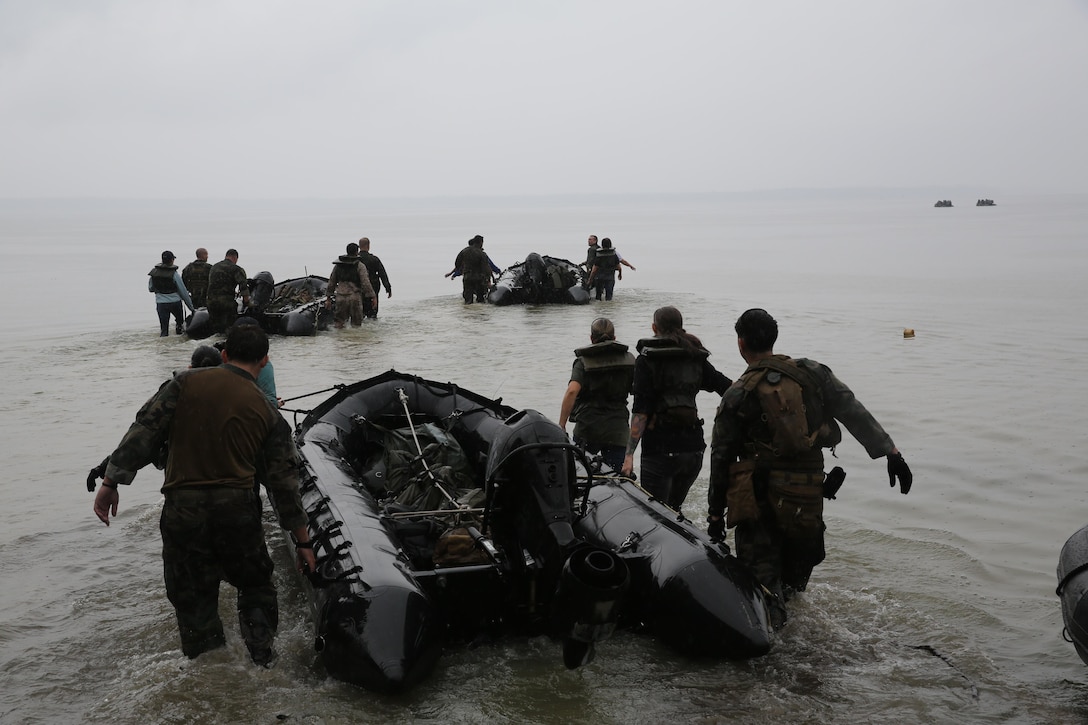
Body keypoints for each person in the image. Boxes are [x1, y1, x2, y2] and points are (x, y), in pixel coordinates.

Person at [91, 324, 316, 666]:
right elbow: (283, 484)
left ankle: (207, 664)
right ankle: (260, 658)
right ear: (265, 359)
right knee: (255, 586)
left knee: (193, 598)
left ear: (224, 355)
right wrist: (303, 543)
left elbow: (145, 431)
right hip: (238, 511)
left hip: (183, 511)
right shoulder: (268, 411)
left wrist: (111, 482)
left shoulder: (182, 383)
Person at [707, 308, 913, 627]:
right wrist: (891, 452)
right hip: (807, 499)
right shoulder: (813, 374)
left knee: (764, 592)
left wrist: (715, 515)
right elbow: (853, 410)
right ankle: (804, 650)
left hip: (759, 505)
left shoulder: (737, 394)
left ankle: (770, 662)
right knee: (794, 588)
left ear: (740, 343)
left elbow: (720, 458)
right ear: (774, 338)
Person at [621, 306, 731, 510]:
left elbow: (641, 412)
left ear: (654, 328)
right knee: (674, 512)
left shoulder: (647, 360)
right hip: (694, 450)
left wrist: (629, 455)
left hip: (660, 450)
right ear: (681, 327)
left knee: (656, 515)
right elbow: (728, 389)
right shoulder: (694, 356)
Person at [558, 318, 635, 472]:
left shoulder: (583, 362)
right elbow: (639, 391)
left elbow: (572, 391)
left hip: (588, 428)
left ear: (591, 338)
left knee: (580, 474)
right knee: (616, 477)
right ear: (614, 338)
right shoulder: (629, 361)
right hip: (617, 429)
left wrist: (562, 424)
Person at [325, 242, 376, 328]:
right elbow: (365, 282)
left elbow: (331, 282)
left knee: (339, 323)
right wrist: (373, 297)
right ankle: (354, 340)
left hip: (340, 297)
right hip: (354, 297)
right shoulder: (360, 266)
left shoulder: (338, 266)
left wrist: (328, 298)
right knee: (356, 325)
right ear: (357, 252)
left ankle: (340, 340)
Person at [148, 250, 196, 337]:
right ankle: (178, 348)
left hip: (161, 304)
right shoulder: (174, 274)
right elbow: (183, 292)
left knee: (164, 330)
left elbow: (150, 288)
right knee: (180, 327)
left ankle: (164, 349)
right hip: (175, 303)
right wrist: (192, 308)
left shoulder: (154, 273)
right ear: (172, 260)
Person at [206, 249, 251, 334]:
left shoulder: (214, 267)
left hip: (211, 302)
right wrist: (247, 302)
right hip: (226, 304)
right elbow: (243, 286)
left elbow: (215, 284)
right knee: (229, 328)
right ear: (235, 258)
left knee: (216, 330)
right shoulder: (236, 269)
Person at [447, 235, 494, 304]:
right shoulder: (482, 254)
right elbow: (485, 268)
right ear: (480, 243)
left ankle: (468, 313)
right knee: (480, 300)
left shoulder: (464, 251)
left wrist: (456, 273)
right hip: (479, 279)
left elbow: (457, 264)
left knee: (468, 300)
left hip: (467, 277)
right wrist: (488, 281)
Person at [357, 237, 392, 318]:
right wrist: (388, 288)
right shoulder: (374, 259)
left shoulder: (354, 260)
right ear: (368, 246)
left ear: (359, 246)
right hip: (373, 291)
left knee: (359, 316)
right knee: (372, 316)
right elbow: (383, 274)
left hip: (358, 291)